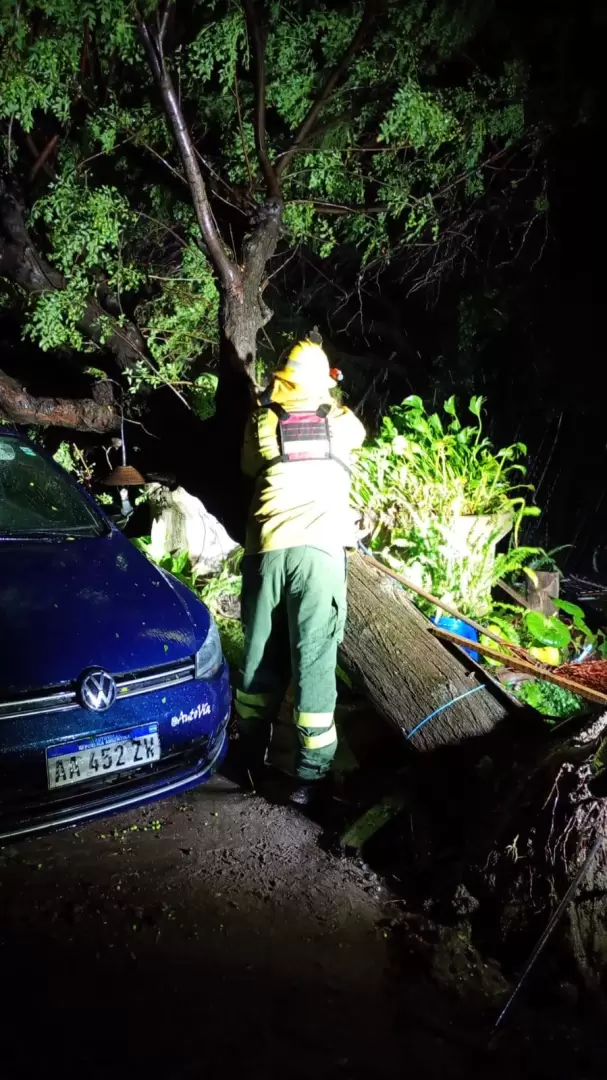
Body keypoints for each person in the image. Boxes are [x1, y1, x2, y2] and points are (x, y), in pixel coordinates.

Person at [234, 338, 366, 804]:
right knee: (314, 661)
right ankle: (309, 780)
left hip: (267, 549)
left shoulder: (263, 420)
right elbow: (355, 437)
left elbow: (250, 466)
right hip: (320, 555)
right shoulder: (345, 425)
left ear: (282, 379)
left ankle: (247, 755)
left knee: (259, 655)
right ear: (324, 380)